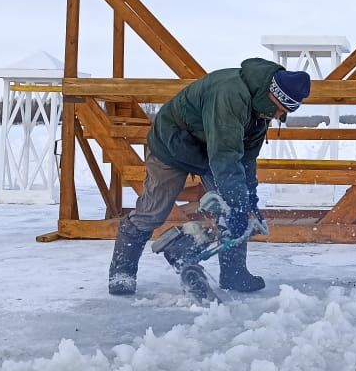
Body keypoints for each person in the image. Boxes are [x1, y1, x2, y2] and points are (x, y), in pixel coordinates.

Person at [107, 58, 311, 301]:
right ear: (271, 94)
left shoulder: (261, 109)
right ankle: (122, 271)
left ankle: (234, 274)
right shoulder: (230, 95)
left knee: (234, 210)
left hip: (209, 150)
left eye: (283, 113)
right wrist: (237, 203)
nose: (279, 116)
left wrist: (249, 200)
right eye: (279, 108)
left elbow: (246, 159)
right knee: (153, 211)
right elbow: (225, 158)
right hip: (172, 144)